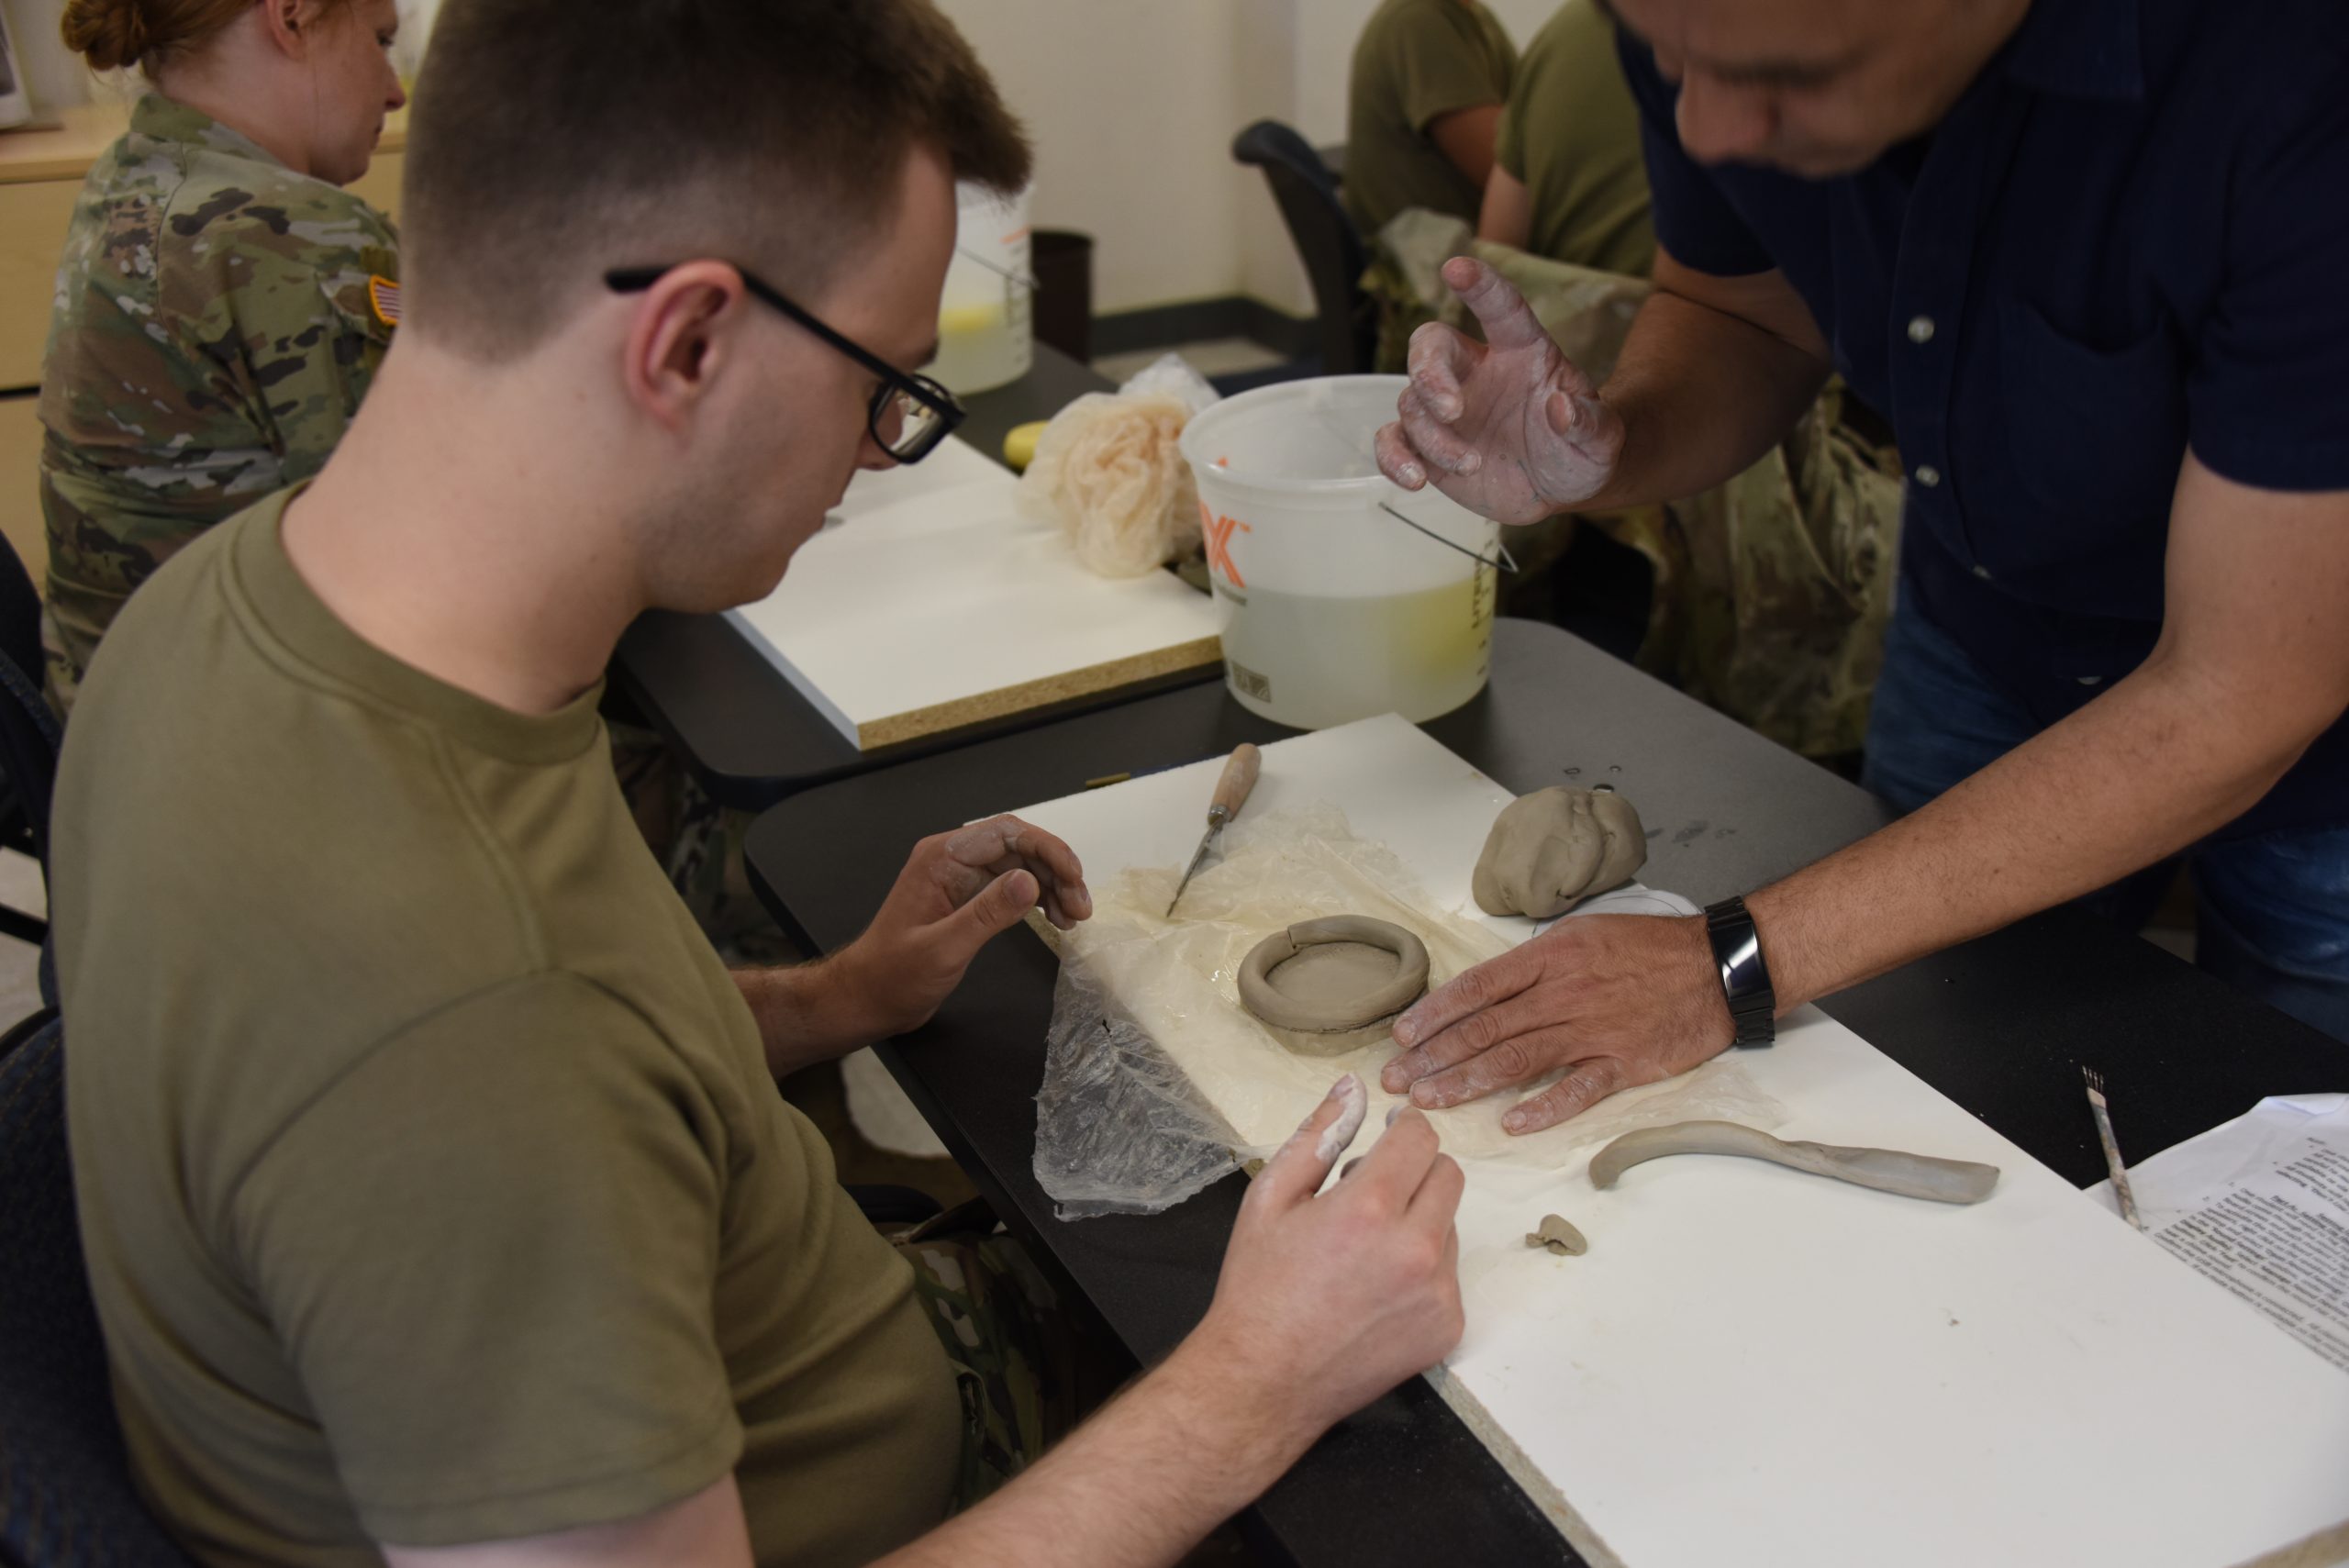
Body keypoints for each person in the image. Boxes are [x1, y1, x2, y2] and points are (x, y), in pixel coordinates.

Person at [50, 2, 1465, 1565]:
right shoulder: (469, 1030)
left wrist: (832, 996)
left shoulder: (224, 613)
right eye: (883, 386)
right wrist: (1252, 1388)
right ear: (688, 343)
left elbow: (583, 1049)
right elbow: (510, 1052)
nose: (875, 450)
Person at [1371, 0, 2349, 1131]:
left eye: (1792, 75)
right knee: (1932, 1061)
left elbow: (2240, 691)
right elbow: (1745, 310)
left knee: (2291, 1144)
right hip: (1979, 628)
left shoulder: (2295, 87)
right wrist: (1612, 445)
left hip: (2304, 723)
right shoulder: (1713, 26)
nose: (1707, 128)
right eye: (1671, 59)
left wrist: (1730, 960)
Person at [37, 0, 406, 717]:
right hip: (235, 739)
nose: (395, 91)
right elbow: (408, 572)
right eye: (380, 41)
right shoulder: (289, 232)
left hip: (116, 717)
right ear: (292, 16)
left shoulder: (137, 170)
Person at [1478, 0, 1654, 278]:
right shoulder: (1711, 30)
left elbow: (1496, 248)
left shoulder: (1558, 33)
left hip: (1550, 300)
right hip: (1675, 296)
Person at [1344, 0, 1518, 236]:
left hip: (1464, 247)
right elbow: (1508, 171)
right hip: (1423, 256)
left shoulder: (1476, 17)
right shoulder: (1418, 22)